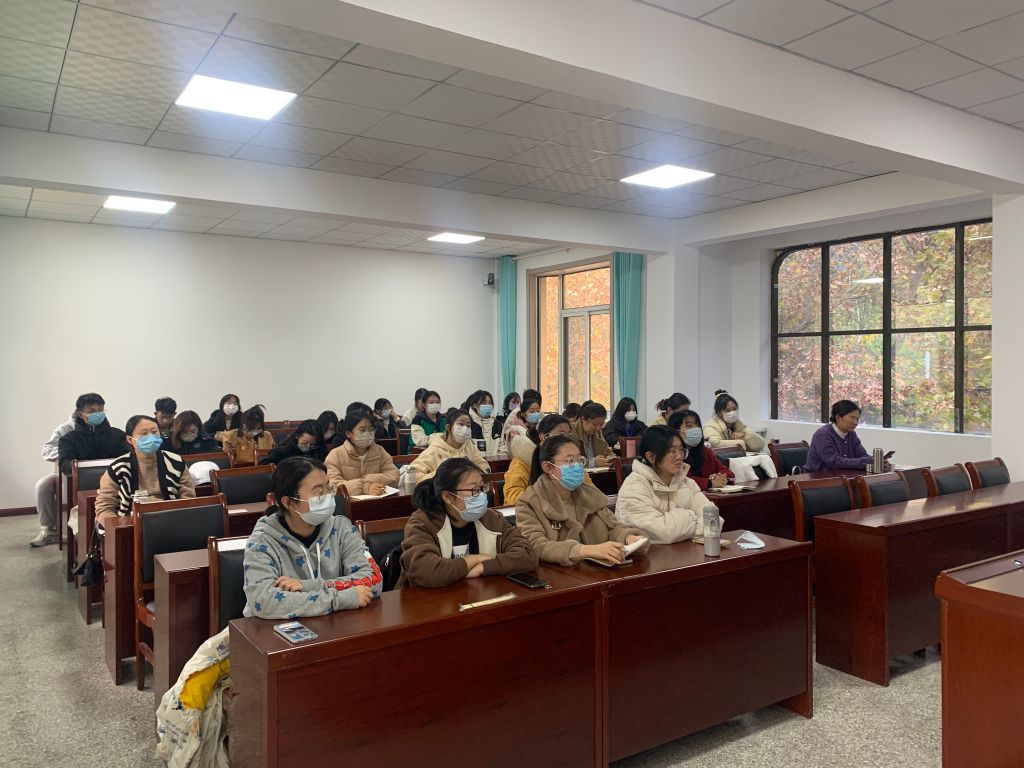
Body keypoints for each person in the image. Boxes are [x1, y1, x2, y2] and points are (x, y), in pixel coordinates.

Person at [242, 456, 382, 618]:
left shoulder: (341, 528)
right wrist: (340, 599)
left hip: (336, 625)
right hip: (274, 630)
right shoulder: (263, 540)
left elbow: (373, 580)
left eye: (328, 488)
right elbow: (264, 601)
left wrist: (308, 586)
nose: (328, 496)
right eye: (319, 492)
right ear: (288, 502)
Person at [401, 458, 538, 588]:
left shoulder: (491, 518)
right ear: (447, 497)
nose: (482, 495)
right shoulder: (422, 523)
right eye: (474, 490)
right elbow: (426, 571)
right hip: (432, 600)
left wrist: (484, 567)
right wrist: (475, 560)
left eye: (482, 488)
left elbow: (527, 555)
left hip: (480, 594)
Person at [515, 435, 648, 566]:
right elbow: (536, 546)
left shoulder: (590, 494)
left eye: (579, 460)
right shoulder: (530, 502)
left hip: (599, 571)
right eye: (569, 461)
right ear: (548, 467)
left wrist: (628, 537)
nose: (577, 466)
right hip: (560, 575)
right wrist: (585, 551)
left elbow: (613, 527)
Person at [616, 426, 722, 543]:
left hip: (688, 551)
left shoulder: (687, 483)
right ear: (651, 457)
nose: (679, 456)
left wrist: (678, 529)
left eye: (681, 450)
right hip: (652, 554)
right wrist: (692, 517)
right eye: (672, 451)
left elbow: (714, 522)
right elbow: (664, 533)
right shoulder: (634, 487)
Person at [95, 415, 196, 526]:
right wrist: (119, 528)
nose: (151, 437)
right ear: (130, 440)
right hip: (128, 524)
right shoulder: (118, 468)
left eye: (154, 432)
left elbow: (188, 498)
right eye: (144, 434)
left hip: (170, 521)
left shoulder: (176, 462)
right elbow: (104, 507)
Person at [503, 414, 594, 505]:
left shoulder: (573, 462)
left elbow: (591, 490)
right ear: (544, 437)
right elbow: (513, 496)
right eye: (561, 434)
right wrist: (551, 501)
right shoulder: (522, 461)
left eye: (569, 435)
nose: (565, 439)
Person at [29, 409, 77, 547]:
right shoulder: (64, 429)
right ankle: (48, 531)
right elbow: (47, 450)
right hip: (63, 474)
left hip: (89, 473)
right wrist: (66, 452)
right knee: (43, 485)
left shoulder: (100, 429)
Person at [325, 411, 400, 495]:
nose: (368, 433)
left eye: (371, 430)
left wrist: (368, 479)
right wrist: (364, 487)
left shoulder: (380, 451)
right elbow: (333, 485)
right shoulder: (336, 455)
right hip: (349, 502)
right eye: (362, 430)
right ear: (349, 433)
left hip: (378, 499)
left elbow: (394, 477)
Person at [57, 392, 129, 477]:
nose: (97, 414)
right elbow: (65, 465)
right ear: (80, 414)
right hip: (83, 482)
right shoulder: (68, 440)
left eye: (100, 410)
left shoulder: (118, 435)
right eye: (91, 411)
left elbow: (128, 460)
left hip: (115, 481)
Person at [409, 409, 490, 482]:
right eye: (461, 424)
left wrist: (470, 474)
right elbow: (413, 474)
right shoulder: (436, 449)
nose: (465, 429)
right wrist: (440, 476)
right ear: (448, 427)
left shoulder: (469, 446)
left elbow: (483, 466)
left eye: (468, 426)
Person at [667, 410, 734, 490]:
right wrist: (709, 482)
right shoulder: (672, 454)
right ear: (676, 431)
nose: (696, 429)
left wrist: (721, 477)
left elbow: (727, 473)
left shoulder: (706, 451)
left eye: (698, 425)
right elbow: (681, 479)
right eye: (690, 425)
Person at [803, 399, 875, 472]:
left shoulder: (851, 434)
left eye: (857, 419)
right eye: (852, 418)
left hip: (840, 475)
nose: (855, 422)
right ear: (838, 417)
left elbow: (862, 455)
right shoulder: (823, 434)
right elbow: (834, 462)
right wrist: (865, 461)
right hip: (817, 476)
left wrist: (874, 460)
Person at [569, 402, 615, 468]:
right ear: (583, 419)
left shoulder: (597, 432)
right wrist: (593, 462)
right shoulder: (571, 431)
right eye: (594, 424)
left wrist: (610, 458)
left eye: (601, 425)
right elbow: (568, 461)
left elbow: (608, 451)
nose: (598, 428)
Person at [261, 419, 326, 464]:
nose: (308, 447)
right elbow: (264, 467)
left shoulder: (319, 450)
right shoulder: (282, 451)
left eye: (312, 445)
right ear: (297, 436)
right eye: (305, 443)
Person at [463, 389, 504, 457]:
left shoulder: (497, 425)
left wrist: (500, 461)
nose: (488, 405)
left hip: (495, 462)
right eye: (484, 403)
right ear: (475, 405)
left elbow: (502, 448)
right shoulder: (469, 424)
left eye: (490, 403)